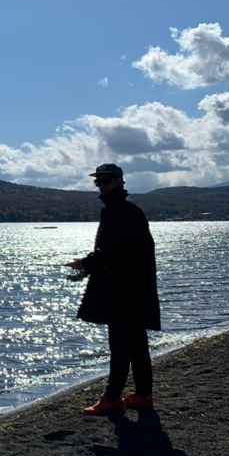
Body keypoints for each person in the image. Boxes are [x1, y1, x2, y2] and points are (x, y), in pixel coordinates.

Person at [66, 163, 160, 416]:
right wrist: (90, 266)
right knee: (137, 344)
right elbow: (117, 253)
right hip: (132, 288)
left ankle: (112, 399)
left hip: (123, 291)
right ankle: (143, 395)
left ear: (119, 181)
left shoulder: (122, 211)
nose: (101, 185)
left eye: (106, 180)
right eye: (98, 181)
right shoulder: (122, 209)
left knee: (120, 345)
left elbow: (111, 252)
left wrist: (86, 263)